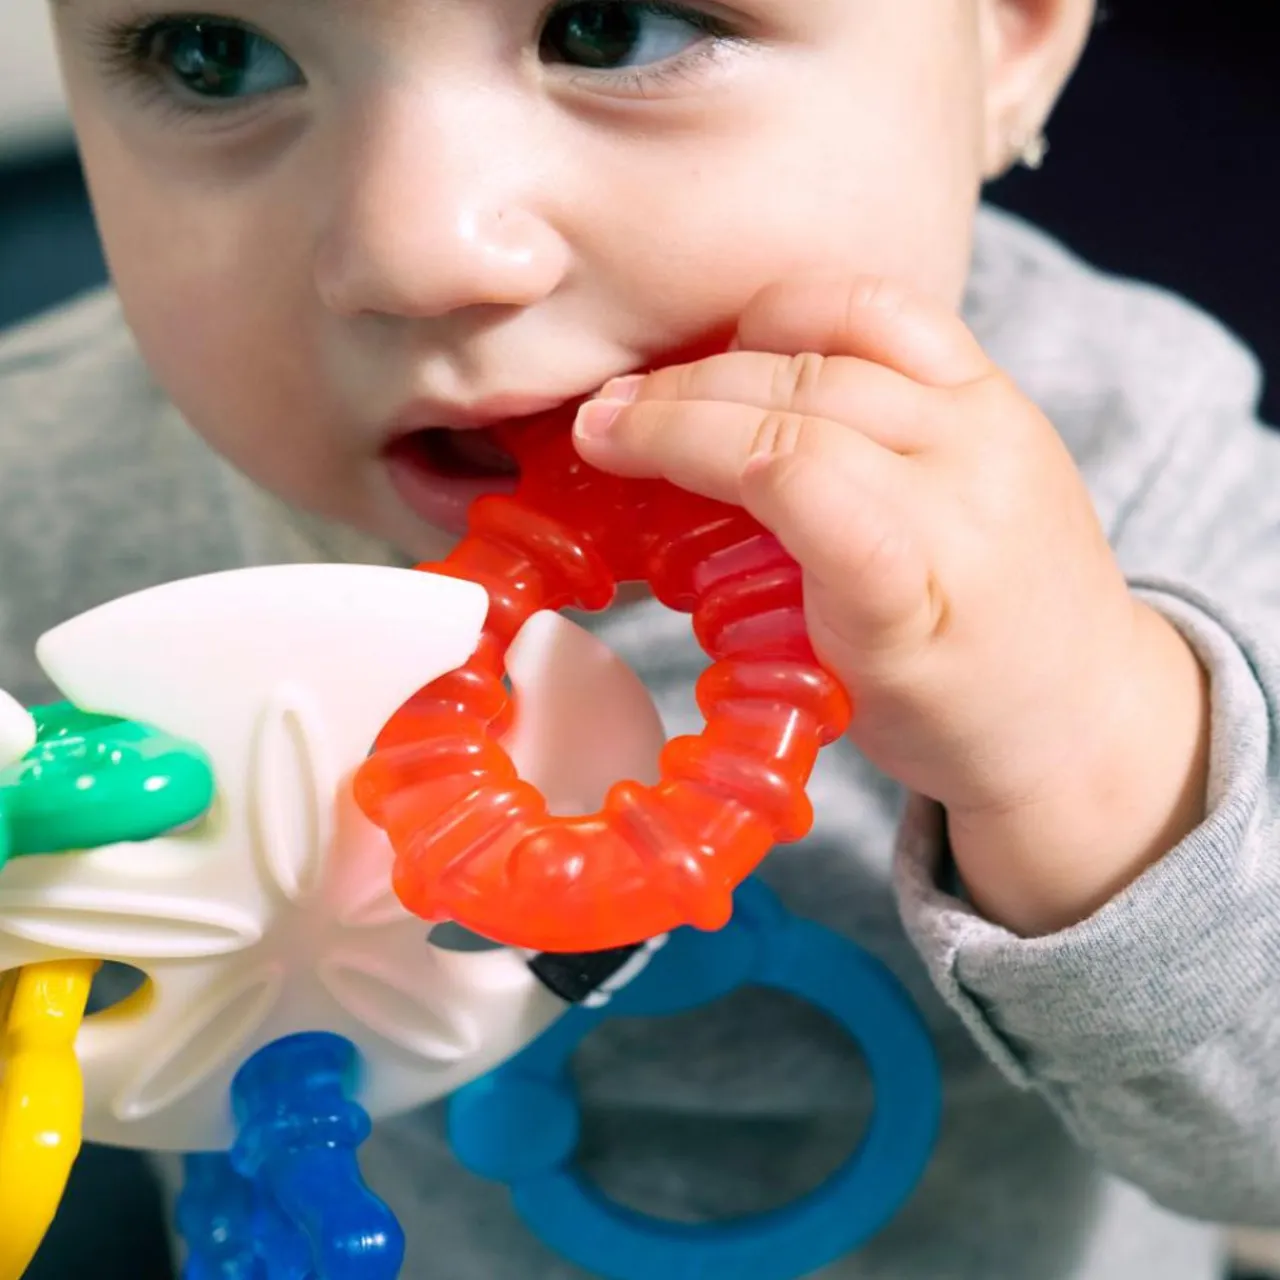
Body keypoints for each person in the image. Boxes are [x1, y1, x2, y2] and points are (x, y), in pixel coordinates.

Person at [3, 0, 1279, 1275]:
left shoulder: (1148, 474)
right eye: (210, 54)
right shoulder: (42, 492)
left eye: (610, 31)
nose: (417, 248)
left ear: (1006, 38)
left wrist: (1088, 753)